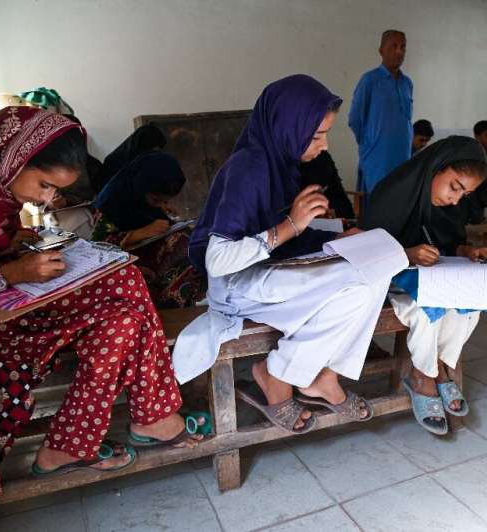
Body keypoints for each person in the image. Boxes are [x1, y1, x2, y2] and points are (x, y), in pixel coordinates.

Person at [0, 107, 200, 530]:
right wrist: (12, 272)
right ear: (18, 157)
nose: (45, 200)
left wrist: (14, 241)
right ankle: (153, 416)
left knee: (123, 319)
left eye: (54, 192)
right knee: (126, 279)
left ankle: (68, 446)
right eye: (44, 185)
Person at [173, 75, 406, 434]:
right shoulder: (248, 168)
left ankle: (316, 375)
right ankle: (282, 375)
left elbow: (280, 230)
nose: (324, 146)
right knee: (356, 278)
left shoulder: (280, 163)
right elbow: (217, 260)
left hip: (268, 271)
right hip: (235, 284)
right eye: (316, 136)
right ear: (287, 127)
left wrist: (342, 234)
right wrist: (293, 226)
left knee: (371, 273)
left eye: (325, 134)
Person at [361, 136, 487, 435]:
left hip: (435, 280)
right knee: (425, 312)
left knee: (468, 307)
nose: (455, 200)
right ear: (436, 168)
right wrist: (406, 254)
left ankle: (437, 368)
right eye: (455, 187)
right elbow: (366, 249)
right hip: (386, 282)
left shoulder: (452, 205)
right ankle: (424, 377)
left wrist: (466, 252)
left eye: (466, 194)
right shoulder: (392, 193)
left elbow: (451, 241)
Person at [92, 151, 207, 308]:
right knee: (185, 254)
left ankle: (181, 307)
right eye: (156, 199)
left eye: (165, 201)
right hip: (126, 263)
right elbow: (96, 247)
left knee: (195, 245)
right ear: (141, 186)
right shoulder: (110, 202)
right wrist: (140, 233)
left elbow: (147, 211)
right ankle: (167, 309)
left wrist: (163, 211)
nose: (160, 204)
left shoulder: (142, 195)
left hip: (154, 252)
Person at [349, 29, 413, 198]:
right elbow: (355, 119)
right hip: (377, 157)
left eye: (403, 47)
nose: (399, 51)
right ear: (381, 51)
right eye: (393, 46)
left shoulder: (407, 83)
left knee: (398, 201)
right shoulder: (370, 80)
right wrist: (369, 143)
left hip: (402, 156)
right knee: (376, 202)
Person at [94, 124, 167, 192]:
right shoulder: (115, 162)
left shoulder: (144, 159)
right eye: (152, 151)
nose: (154, 155)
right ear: (143, 146)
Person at [299, 150, 356, 219]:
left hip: (332, 212)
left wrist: (332, 210)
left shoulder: (323, 156)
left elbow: (338, 192)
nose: (325, 145)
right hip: (302, 215)